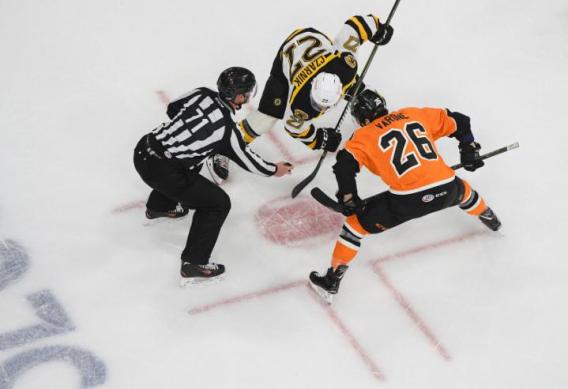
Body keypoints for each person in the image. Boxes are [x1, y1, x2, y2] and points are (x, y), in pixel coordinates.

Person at [308, 89, 502, 303]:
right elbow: (460, 121)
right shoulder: (412, 114)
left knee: (355, 226)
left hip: (407, 201)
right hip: (447, 188)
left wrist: (348, 197)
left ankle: (331, 281)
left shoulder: (363, 135)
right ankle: (492, 221)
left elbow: (344, 165)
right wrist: (468, 148)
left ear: (362, 118)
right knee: (464, 191)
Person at [133, 67, 293, 286]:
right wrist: (275, 169)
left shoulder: (202, 93)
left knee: (191, 161)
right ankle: (194, 263)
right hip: (163, 172)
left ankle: (159, 207)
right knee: (217, 204)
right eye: (247, 92)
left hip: (143, 149)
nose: (248, 96)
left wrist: (189, 133)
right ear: (238, 97)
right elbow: (248, 160)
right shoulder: (227, 131)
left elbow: (173, 108)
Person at [207, 15, 394, 180]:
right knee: (267, 117)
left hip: (317, 46)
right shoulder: (301, 103)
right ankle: (220, 147)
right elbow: (292, 126)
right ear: (313, 89)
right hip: (288, 56)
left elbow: (357, 25)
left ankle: (368, 114)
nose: (318, 109)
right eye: (317, 104)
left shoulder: (346, 65)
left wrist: (378, 28)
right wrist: (318, 138)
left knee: (365, 97)